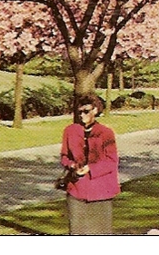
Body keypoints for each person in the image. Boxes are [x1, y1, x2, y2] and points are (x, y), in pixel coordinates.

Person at [59, 93, 120, 234]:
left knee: (101, 232)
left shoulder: (106, 133)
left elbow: (111, 161)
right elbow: (64, 156)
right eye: (79, 112)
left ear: (95, 110)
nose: (82, 115)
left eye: (86, 111)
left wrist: (90, 169)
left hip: (101, 191)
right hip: (76, 189)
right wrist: (72, 165)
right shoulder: (70, 131)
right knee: (77, 231)